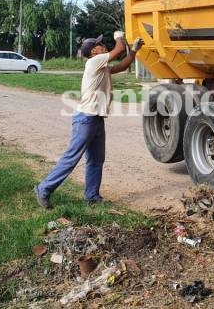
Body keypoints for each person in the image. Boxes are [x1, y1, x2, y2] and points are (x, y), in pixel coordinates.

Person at [34, 32, 144, 209]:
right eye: (100, 44)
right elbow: (119, 49)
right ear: (94, 51)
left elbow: (122, 66)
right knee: (72, 158)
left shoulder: (101, 66)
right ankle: (43, 189)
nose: (104, 45)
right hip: (86, 118)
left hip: (96, 118)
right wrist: (119, 36)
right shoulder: (94, 62)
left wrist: (135, 51)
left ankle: (92, 196)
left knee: (96, 160)